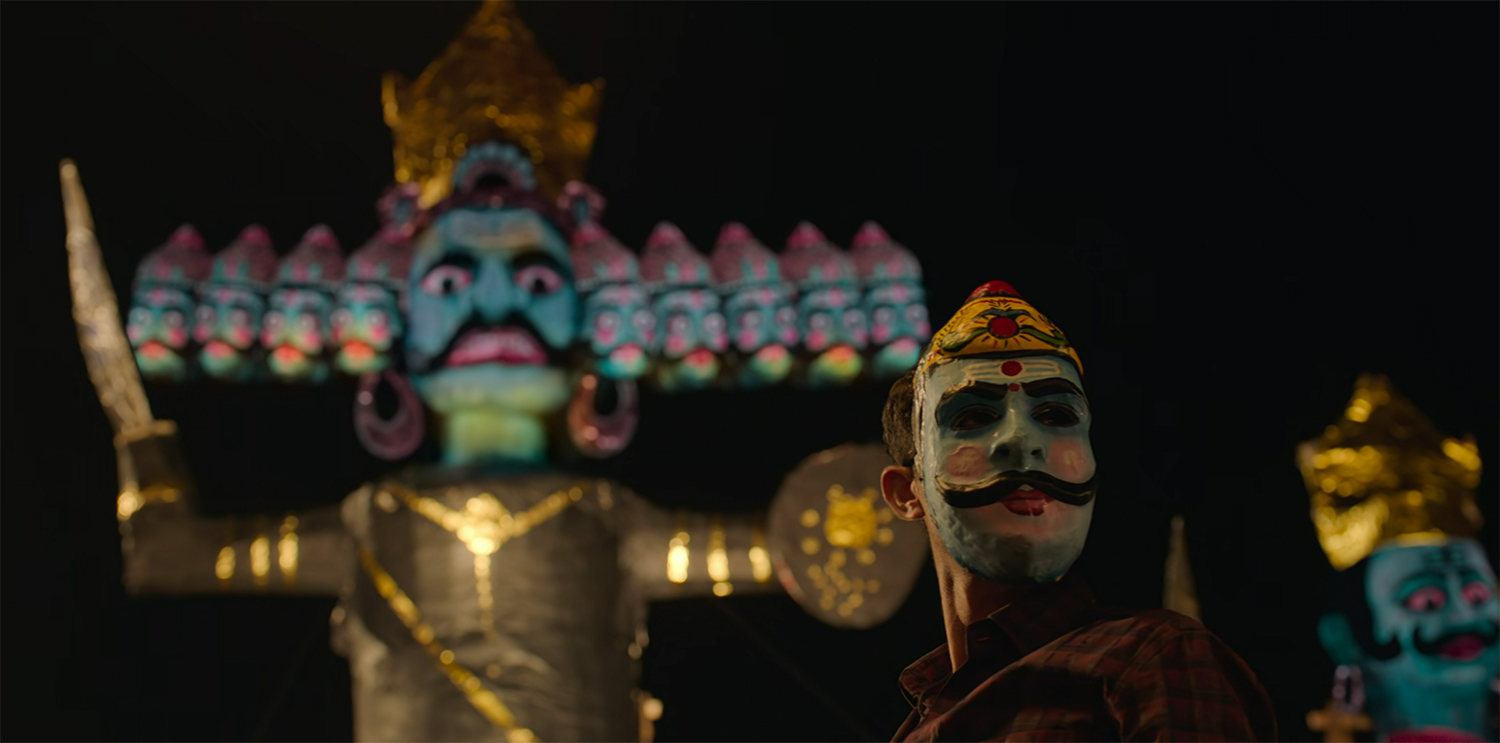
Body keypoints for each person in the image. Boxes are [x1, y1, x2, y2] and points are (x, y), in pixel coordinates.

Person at [878, 280, 1277, 741]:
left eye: (1056, 416)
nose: (1022, 440)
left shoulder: (1147, 657)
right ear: (907, 493)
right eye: (973, 418)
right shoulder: (919, 725)